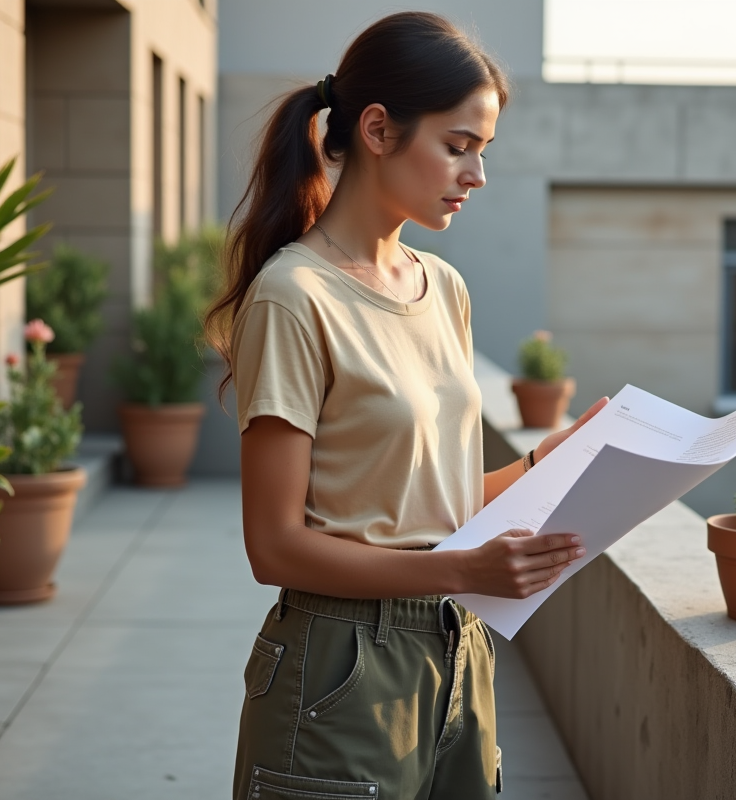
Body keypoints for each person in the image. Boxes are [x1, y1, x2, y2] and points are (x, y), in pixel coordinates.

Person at [204, 12, 608, 800]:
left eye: (482, 152)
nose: (476, 175)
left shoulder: (443, 287)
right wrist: (459, 569)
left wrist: (545, 461)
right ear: (379, 130)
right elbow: (274, 547)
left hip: (458, 651)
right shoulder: (294, 297)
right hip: (339, 666)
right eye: (458, 147)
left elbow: (432, 503)